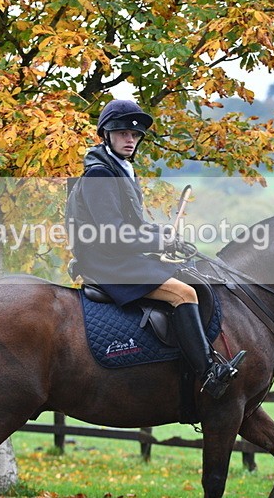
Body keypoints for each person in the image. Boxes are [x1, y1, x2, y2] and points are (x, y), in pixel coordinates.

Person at [66, 99, 245, 399]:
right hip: (107, 263)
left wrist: (165, 235)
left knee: (192, 278)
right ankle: (208, 373)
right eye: (123, 133)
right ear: (106, 135)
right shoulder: (100, 175)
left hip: (122, 258)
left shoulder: (122, 170)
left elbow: (133, 226)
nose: (130, 139)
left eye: (134, 135)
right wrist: (159, 241)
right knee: (184, 293)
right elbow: (113, 233)